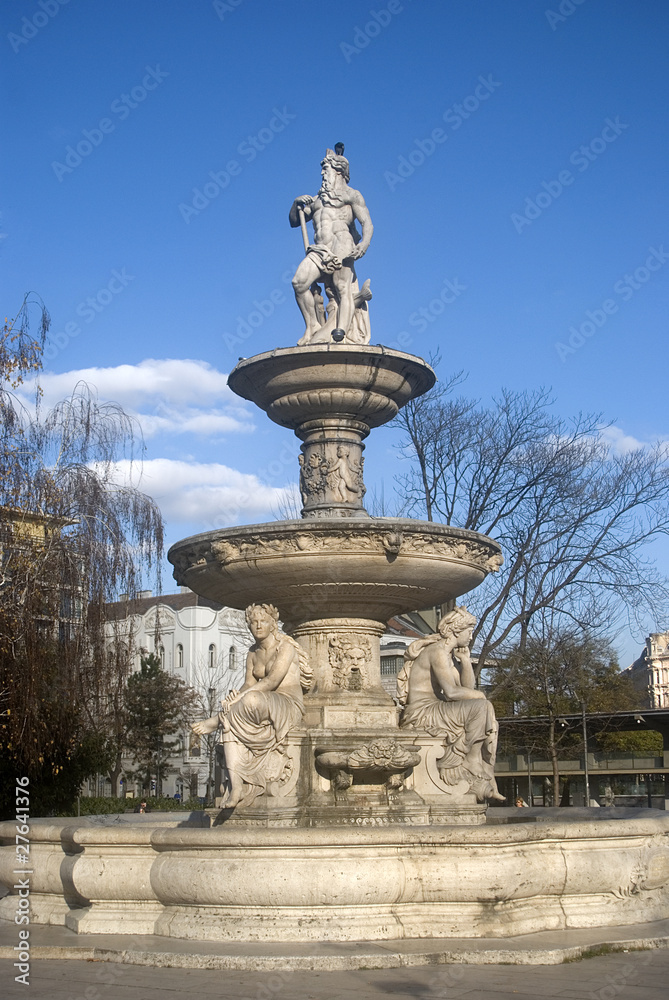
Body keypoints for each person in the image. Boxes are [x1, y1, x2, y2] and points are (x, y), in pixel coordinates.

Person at [191, 604, 310, 809]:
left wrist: (242, 697)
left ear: (273, 624)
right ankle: (236, 787)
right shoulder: (252, 653)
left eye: (263, 621)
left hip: (287, 703)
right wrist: (235, 696)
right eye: (253, 622)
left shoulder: (286, 647)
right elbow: (249, 683)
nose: (258, 626)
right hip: (262, 701)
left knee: (249, 700)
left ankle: (215, 721)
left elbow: (272, 681)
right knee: (231, 713)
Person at [398, 606, 505, 803]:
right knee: (482, 706)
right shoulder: (437, 652)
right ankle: (472, 759)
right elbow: (452, 692)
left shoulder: (447, 654)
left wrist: (465, 661)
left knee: (483, 707)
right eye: (469, 631)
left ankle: (480, 763)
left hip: (435, 708)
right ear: (456, 630)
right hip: (423, 711)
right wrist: (480, 695)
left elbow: (465, 688)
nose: (471, 637)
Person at [290, 145, 373, 344]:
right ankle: (313, 326)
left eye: (325, 169)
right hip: (319, 250)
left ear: (339, 172)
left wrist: (364, 244)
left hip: (341, 243)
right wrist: (295, 204)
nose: (322, 173)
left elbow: (367, 223)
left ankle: (341, 330)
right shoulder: (317, 199)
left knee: (341, 287)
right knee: (298, 283)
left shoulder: (352, 195)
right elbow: (294, 221)